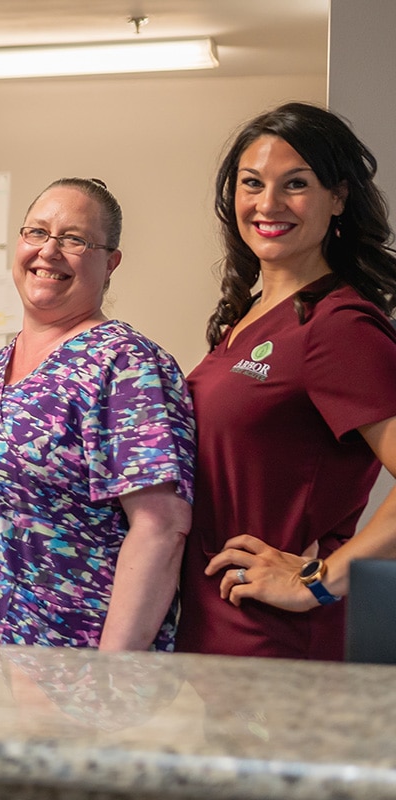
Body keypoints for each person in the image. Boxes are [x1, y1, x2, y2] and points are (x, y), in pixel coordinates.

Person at [0, 178, 195, 651]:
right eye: (37, 233)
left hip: (60, 673)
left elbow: (161, 529)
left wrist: (106, 680)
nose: (50, 251)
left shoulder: (125, 364)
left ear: (111, 263)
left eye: (75, 239)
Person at [176, 102, 396, 660]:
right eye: (252, 183)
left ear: (338, 197)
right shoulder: (246, 316)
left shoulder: (338, 326)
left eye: (295, 184)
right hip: (213, 630)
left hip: (278, 643)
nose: (268, 204)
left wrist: (317, 580)